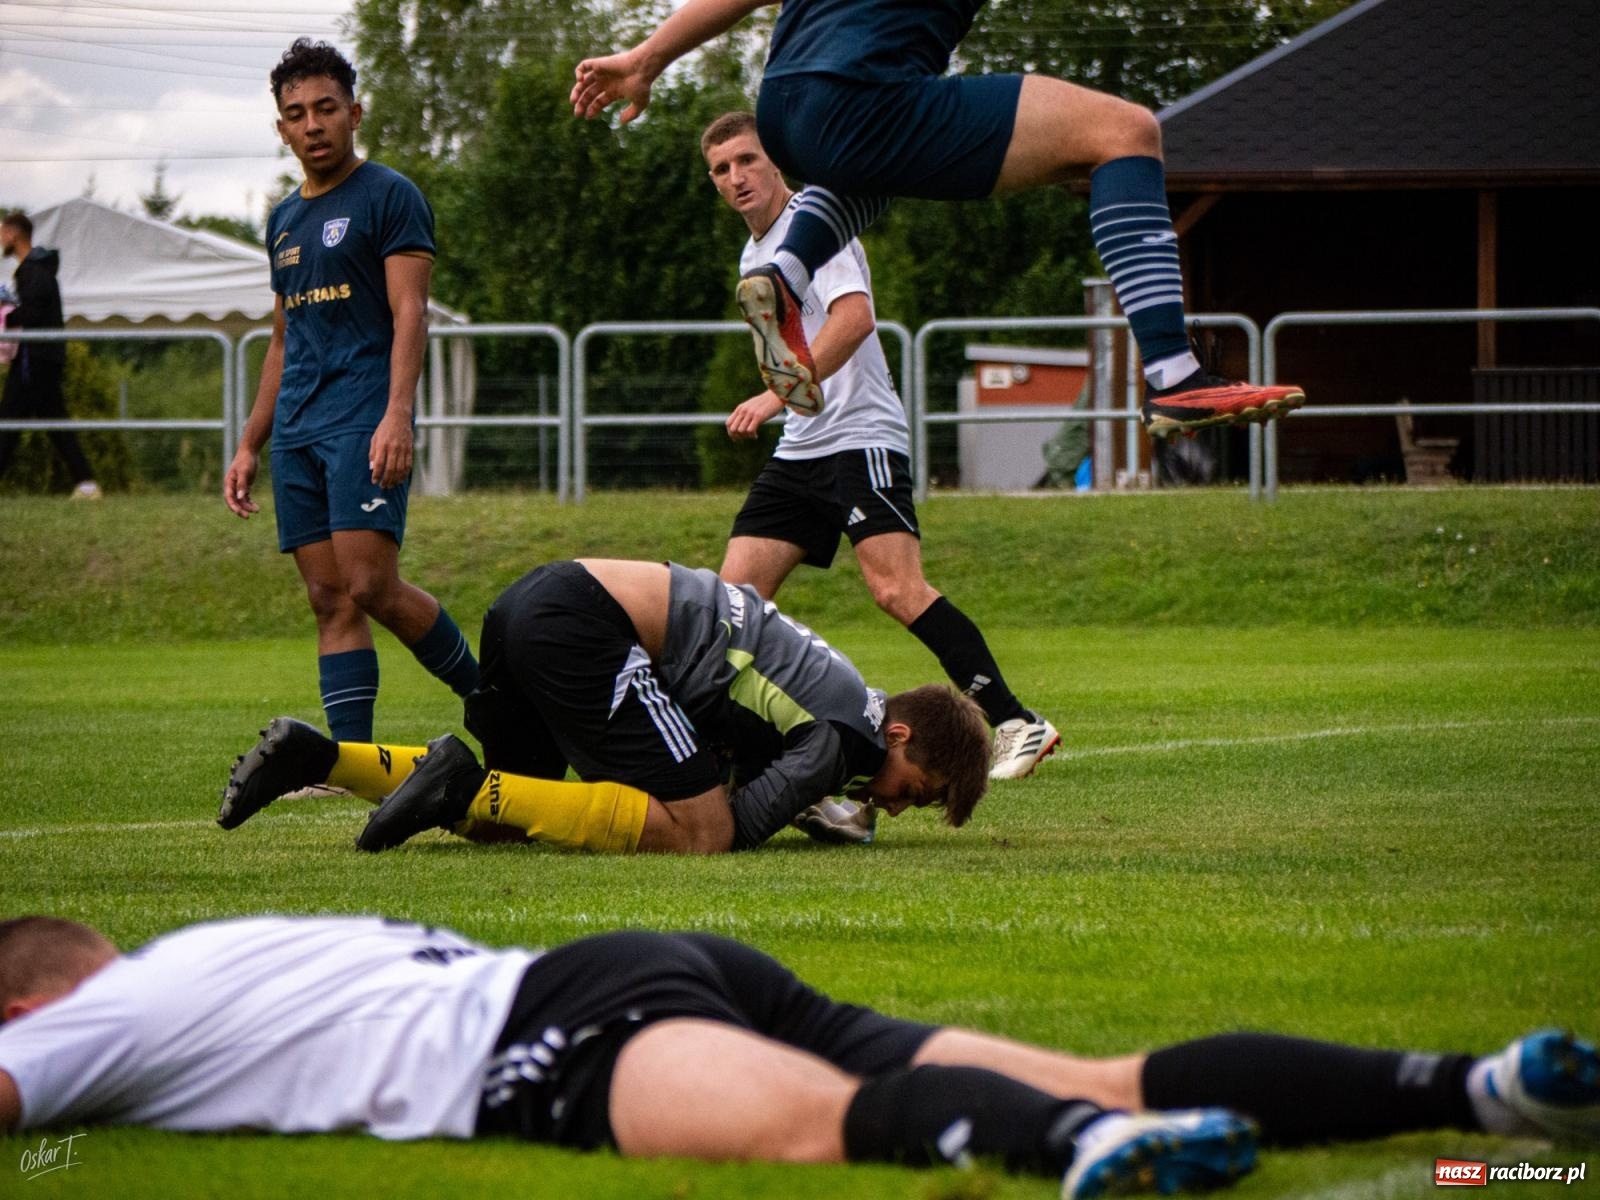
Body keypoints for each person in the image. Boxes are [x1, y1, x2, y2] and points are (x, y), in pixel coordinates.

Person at [2, 917, 1595, 1200]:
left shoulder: (94, 1023)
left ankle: (1064, 1157)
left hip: (552, 1036)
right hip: (643, 967)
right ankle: (1477, 1095)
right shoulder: (215, 948)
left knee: (829, 1131)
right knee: (1109, 1065)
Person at [571, 0, 1306, 437]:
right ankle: (1173, 374)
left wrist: (647, 56)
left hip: (789, 108)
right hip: (863, 98)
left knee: (891, 163)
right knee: (1126, 133)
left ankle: (785, 271)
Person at [702, 113, 1059, 803]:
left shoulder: (816, 223)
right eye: (721, 169)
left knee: (895, 589)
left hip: (860, 436)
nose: (737, 177)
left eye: (747, 159)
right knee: (731, 608)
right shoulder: (753, 258)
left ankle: (1016, 721)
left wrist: (776, 396)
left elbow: (855, 318)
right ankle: (751, 760)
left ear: (776, 162)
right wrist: (789, 402)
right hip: (804, 447)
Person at [217, 557, 993, 854]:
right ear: (898, 734)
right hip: (585, 626)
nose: (892, 807)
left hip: (536, 601)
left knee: (509, 819)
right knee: (701, 833)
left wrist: (815, 804)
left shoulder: (847, 696)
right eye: (911, 793)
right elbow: (738, 825)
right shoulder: (850, 737)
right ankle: (456, 781)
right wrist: (822, 814)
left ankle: (319, 757)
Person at [222, 39, 478, 745]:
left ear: (354, 112)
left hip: (363, 418)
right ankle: (351, 764)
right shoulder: (281, 221)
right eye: (297, 113)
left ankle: (489, 695)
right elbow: (282, 338)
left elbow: (410, 313)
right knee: (329, 598)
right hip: (299, 428)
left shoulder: (390, 196)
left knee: (370, 585)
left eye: (326, 108)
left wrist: (398, 415)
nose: (313, 124)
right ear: (281, 128)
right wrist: (249, 443)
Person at [0, 212, 100, 499]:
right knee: (56, 423)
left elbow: (34, 312)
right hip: (43, 358)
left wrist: (7, 312)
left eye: (2, 233)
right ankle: (87, 483)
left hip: (35, 359)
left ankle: (87, 483)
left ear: (14, 234)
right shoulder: (37, 269)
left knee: (8, 419)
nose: (1, 240)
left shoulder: (33, 272)